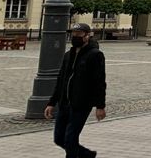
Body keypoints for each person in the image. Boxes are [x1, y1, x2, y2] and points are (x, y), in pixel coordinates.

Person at [44, 23, 106, 158]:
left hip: (81, 104)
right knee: (59, 139)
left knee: (70, 139)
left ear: (87, 36)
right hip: (64, 103)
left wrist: (100, 106)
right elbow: (61, 80)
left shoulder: (95, 55)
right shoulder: (68, 55)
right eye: (73, 34)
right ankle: (87, 154)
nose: (75, 36)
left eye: (78, 34)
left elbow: (99, 82)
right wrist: (51, 102)